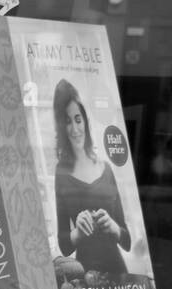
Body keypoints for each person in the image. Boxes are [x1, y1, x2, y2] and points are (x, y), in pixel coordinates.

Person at [52, 79, 132, 278]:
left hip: (118, 273)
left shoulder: (106, 168)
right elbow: (64, 246)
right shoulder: (61, 173)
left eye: (78, 119)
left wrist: (113, 227)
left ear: (86, 121)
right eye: (67, 121)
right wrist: (78, 231)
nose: (75, 128)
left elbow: (127, 241)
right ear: (62, 127)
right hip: (86, 277)